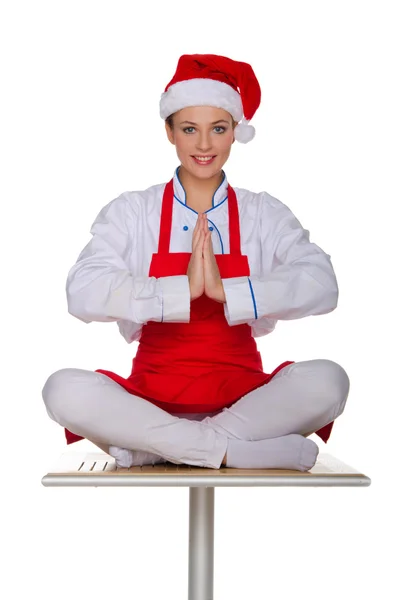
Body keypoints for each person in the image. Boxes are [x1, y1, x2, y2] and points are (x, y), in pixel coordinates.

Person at [42, 53, 350, 471]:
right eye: (190, 129)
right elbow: (81, 291)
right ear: (169, 132)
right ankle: (229, 452)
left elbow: (322, 283)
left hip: (245, 400)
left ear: (234, 134)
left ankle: (161, 450)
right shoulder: (134, 211)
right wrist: (179, 291)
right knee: (62, 390)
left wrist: (228, 291)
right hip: (148, 402)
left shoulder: (264, 213)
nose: (204, 145)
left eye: (218, 129)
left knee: (329, 380)